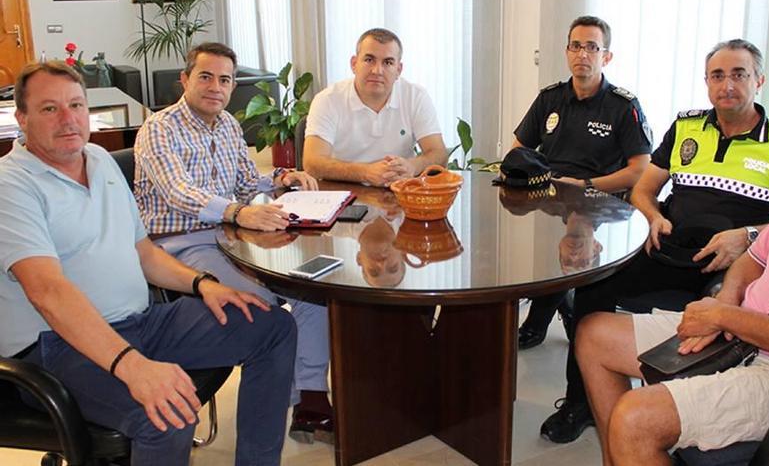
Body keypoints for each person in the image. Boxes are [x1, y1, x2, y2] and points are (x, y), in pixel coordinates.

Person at [576, 52, 769, 465]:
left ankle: (633, 446)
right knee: (594, 335)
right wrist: (727, 300)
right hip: (748, 335)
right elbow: (754, 257)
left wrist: (725, 319)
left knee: (636, 418)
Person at [0, 61, 297, 466]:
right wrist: (132, 366)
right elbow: (48, 292)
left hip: (140, 321)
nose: (68, 119)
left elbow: (143, 252)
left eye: (76, 105)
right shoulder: (11, 185)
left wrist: (204, 285)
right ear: (22, 118)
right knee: (167, 412)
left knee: (271, 325)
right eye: (50, 109)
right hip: (55, 346)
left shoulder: (99, 160)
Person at [538, 38, 769, 444]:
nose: (727, 85)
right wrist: (652, 216)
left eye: (739, 74)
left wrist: (750, 236)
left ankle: (679, 418)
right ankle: (581, 403)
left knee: (724, 320)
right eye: (717, 75)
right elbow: (644, 189)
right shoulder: (687, 127)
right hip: (669, 246)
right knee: (593, 285)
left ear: (760, 80)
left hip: (733, 264)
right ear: (706, 82)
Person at [133, 42, 331, 444]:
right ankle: (282, 398)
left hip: (231, 236)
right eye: (205, 76)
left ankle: (311, 401)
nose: (215, 87)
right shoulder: (159, 128)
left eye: (224, 79)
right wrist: (238, 213)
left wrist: (280, 178)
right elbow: (177, 192)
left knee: (312, 293)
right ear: (185, 80)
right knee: (264, 304)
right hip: (178, 244)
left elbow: (244, 181)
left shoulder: (226, 124)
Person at [511, 15, 652, 352]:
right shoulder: (550, 99)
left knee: (574, 237)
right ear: (566, 51)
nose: (583, 54)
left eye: (592, 47)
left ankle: (538, 320)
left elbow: (639, 170)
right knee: (516, 239)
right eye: (576, 46)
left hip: (598, 198)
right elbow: (519, 150)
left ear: (606, 56)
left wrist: (584, 183)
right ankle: (563, 303)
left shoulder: (622, 105)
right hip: (548, 195)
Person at [302, 28, 447, 186]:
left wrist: (412, 166)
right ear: (354, 64)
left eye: (388, 62)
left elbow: (439, 154)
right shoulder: (327, 100)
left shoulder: (415, 96)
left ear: (398, 70)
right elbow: (312, 163)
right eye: (369, 60)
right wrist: (365, 172)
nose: (377, 71)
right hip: (343, 194)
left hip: (398, 193)